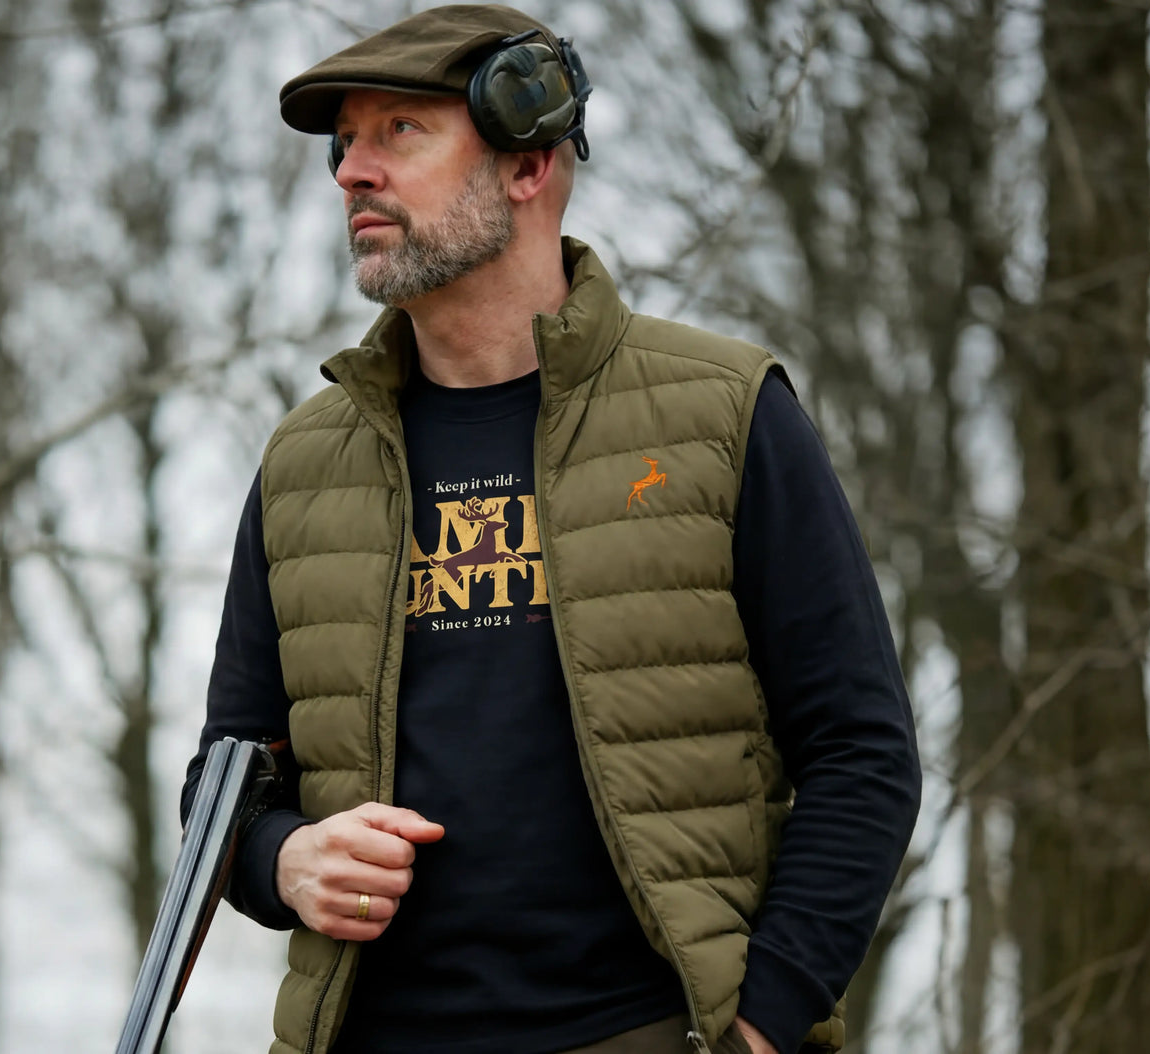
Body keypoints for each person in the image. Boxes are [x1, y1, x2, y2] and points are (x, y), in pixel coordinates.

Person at [180, 6, 921, 1053]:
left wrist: (760, 1024)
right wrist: (282, 861)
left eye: (400, 132)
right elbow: (225, 784)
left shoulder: (723, 412)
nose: (351, 172)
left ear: (528, 162)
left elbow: (860, 750)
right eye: (344, 143)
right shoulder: (305, 461)